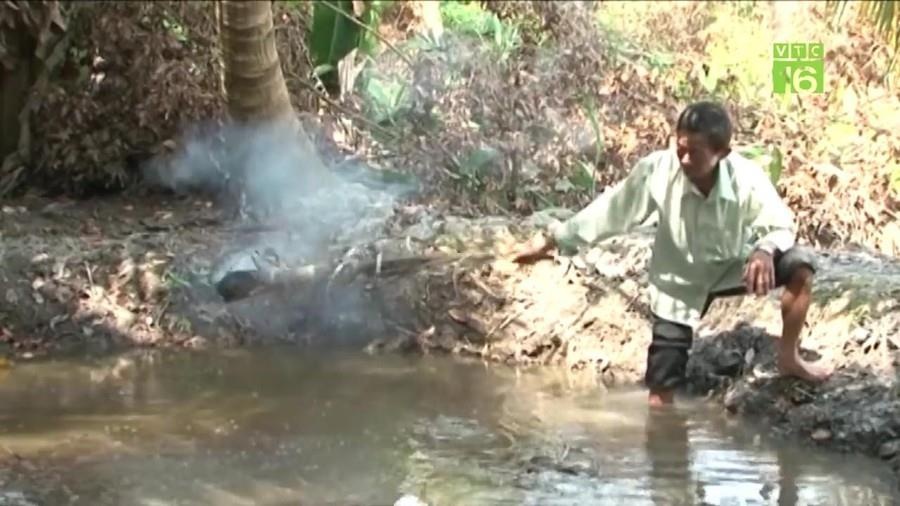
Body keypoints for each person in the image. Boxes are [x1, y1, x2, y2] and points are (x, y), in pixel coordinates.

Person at [512, 101, 832, 406]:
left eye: (694, 153)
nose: (684, 159)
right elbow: (610, 212)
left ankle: (789, 358)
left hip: (734, 266)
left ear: (721, 153)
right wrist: (554, 240)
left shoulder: (746, 177)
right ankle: (665, 455)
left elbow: (780, 224)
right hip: (677, 283)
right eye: (680, 149)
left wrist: (764, 249)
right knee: (661, 392)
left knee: (800, 265)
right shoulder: (657, 170)